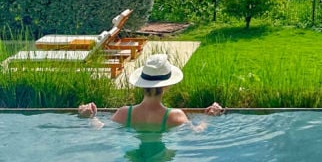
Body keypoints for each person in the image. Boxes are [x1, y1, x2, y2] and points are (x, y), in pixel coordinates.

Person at [77, 53, 223, 128]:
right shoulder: (175, 116)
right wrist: (208, 117)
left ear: (141, 84)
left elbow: (101, 129)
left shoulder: (124, 113)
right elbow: (196, 134)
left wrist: (90, 117)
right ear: (167, 85)